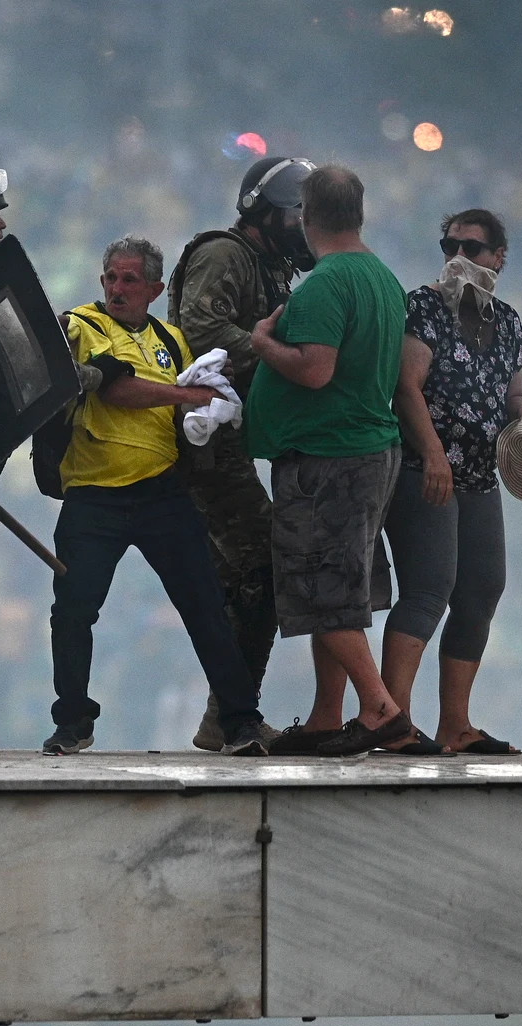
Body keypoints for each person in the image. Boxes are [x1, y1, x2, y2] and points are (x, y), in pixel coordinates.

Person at [42, 236, 270, 757]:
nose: (117, 289)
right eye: (110, 279)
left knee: (206, 605)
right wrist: (191, 397)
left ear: (154, 288)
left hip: (162, 492)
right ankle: (72, 721)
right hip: (94, 494)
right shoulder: (83, 325)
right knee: (73, 610)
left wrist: (213, 401)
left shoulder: (172, 339)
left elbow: (198, 387)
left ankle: (240, 721)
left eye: (128, 280)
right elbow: (114, 390)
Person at [246, 164, 442, 757]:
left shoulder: (325, 283)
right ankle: (326, 715)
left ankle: (379, 709)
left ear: (305, 218)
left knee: (320, 587)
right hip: (369, 449)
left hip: (328, 455)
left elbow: (315, 368)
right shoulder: (381, 277)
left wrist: (262, 344)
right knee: (339, 587)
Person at [167, 156, 315, 751]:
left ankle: (229, 715)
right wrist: (271, 349)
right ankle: (233, 716)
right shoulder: (224, 255)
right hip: (206, 442)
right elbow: (200, 331)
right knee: (262, 565)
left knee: (247, 580)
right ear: (268, 211)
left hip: (230, 442)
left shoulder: (268, 266)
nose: (306, 226)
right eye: (298, 213)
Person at [382, 209, 522, 755]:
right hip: (426, 469)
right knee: (428, 589)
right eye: (450, 246)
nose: (459, 257)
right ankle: (392, 720)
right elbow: (407, 386)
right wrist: (433, 452)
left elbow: (512, 394)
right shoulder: (424, 307)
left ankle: (456, 725)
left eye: (473, 248)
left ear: (498, 258)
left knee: (481, 589)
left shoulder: (509, 323)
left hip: (478, 472)